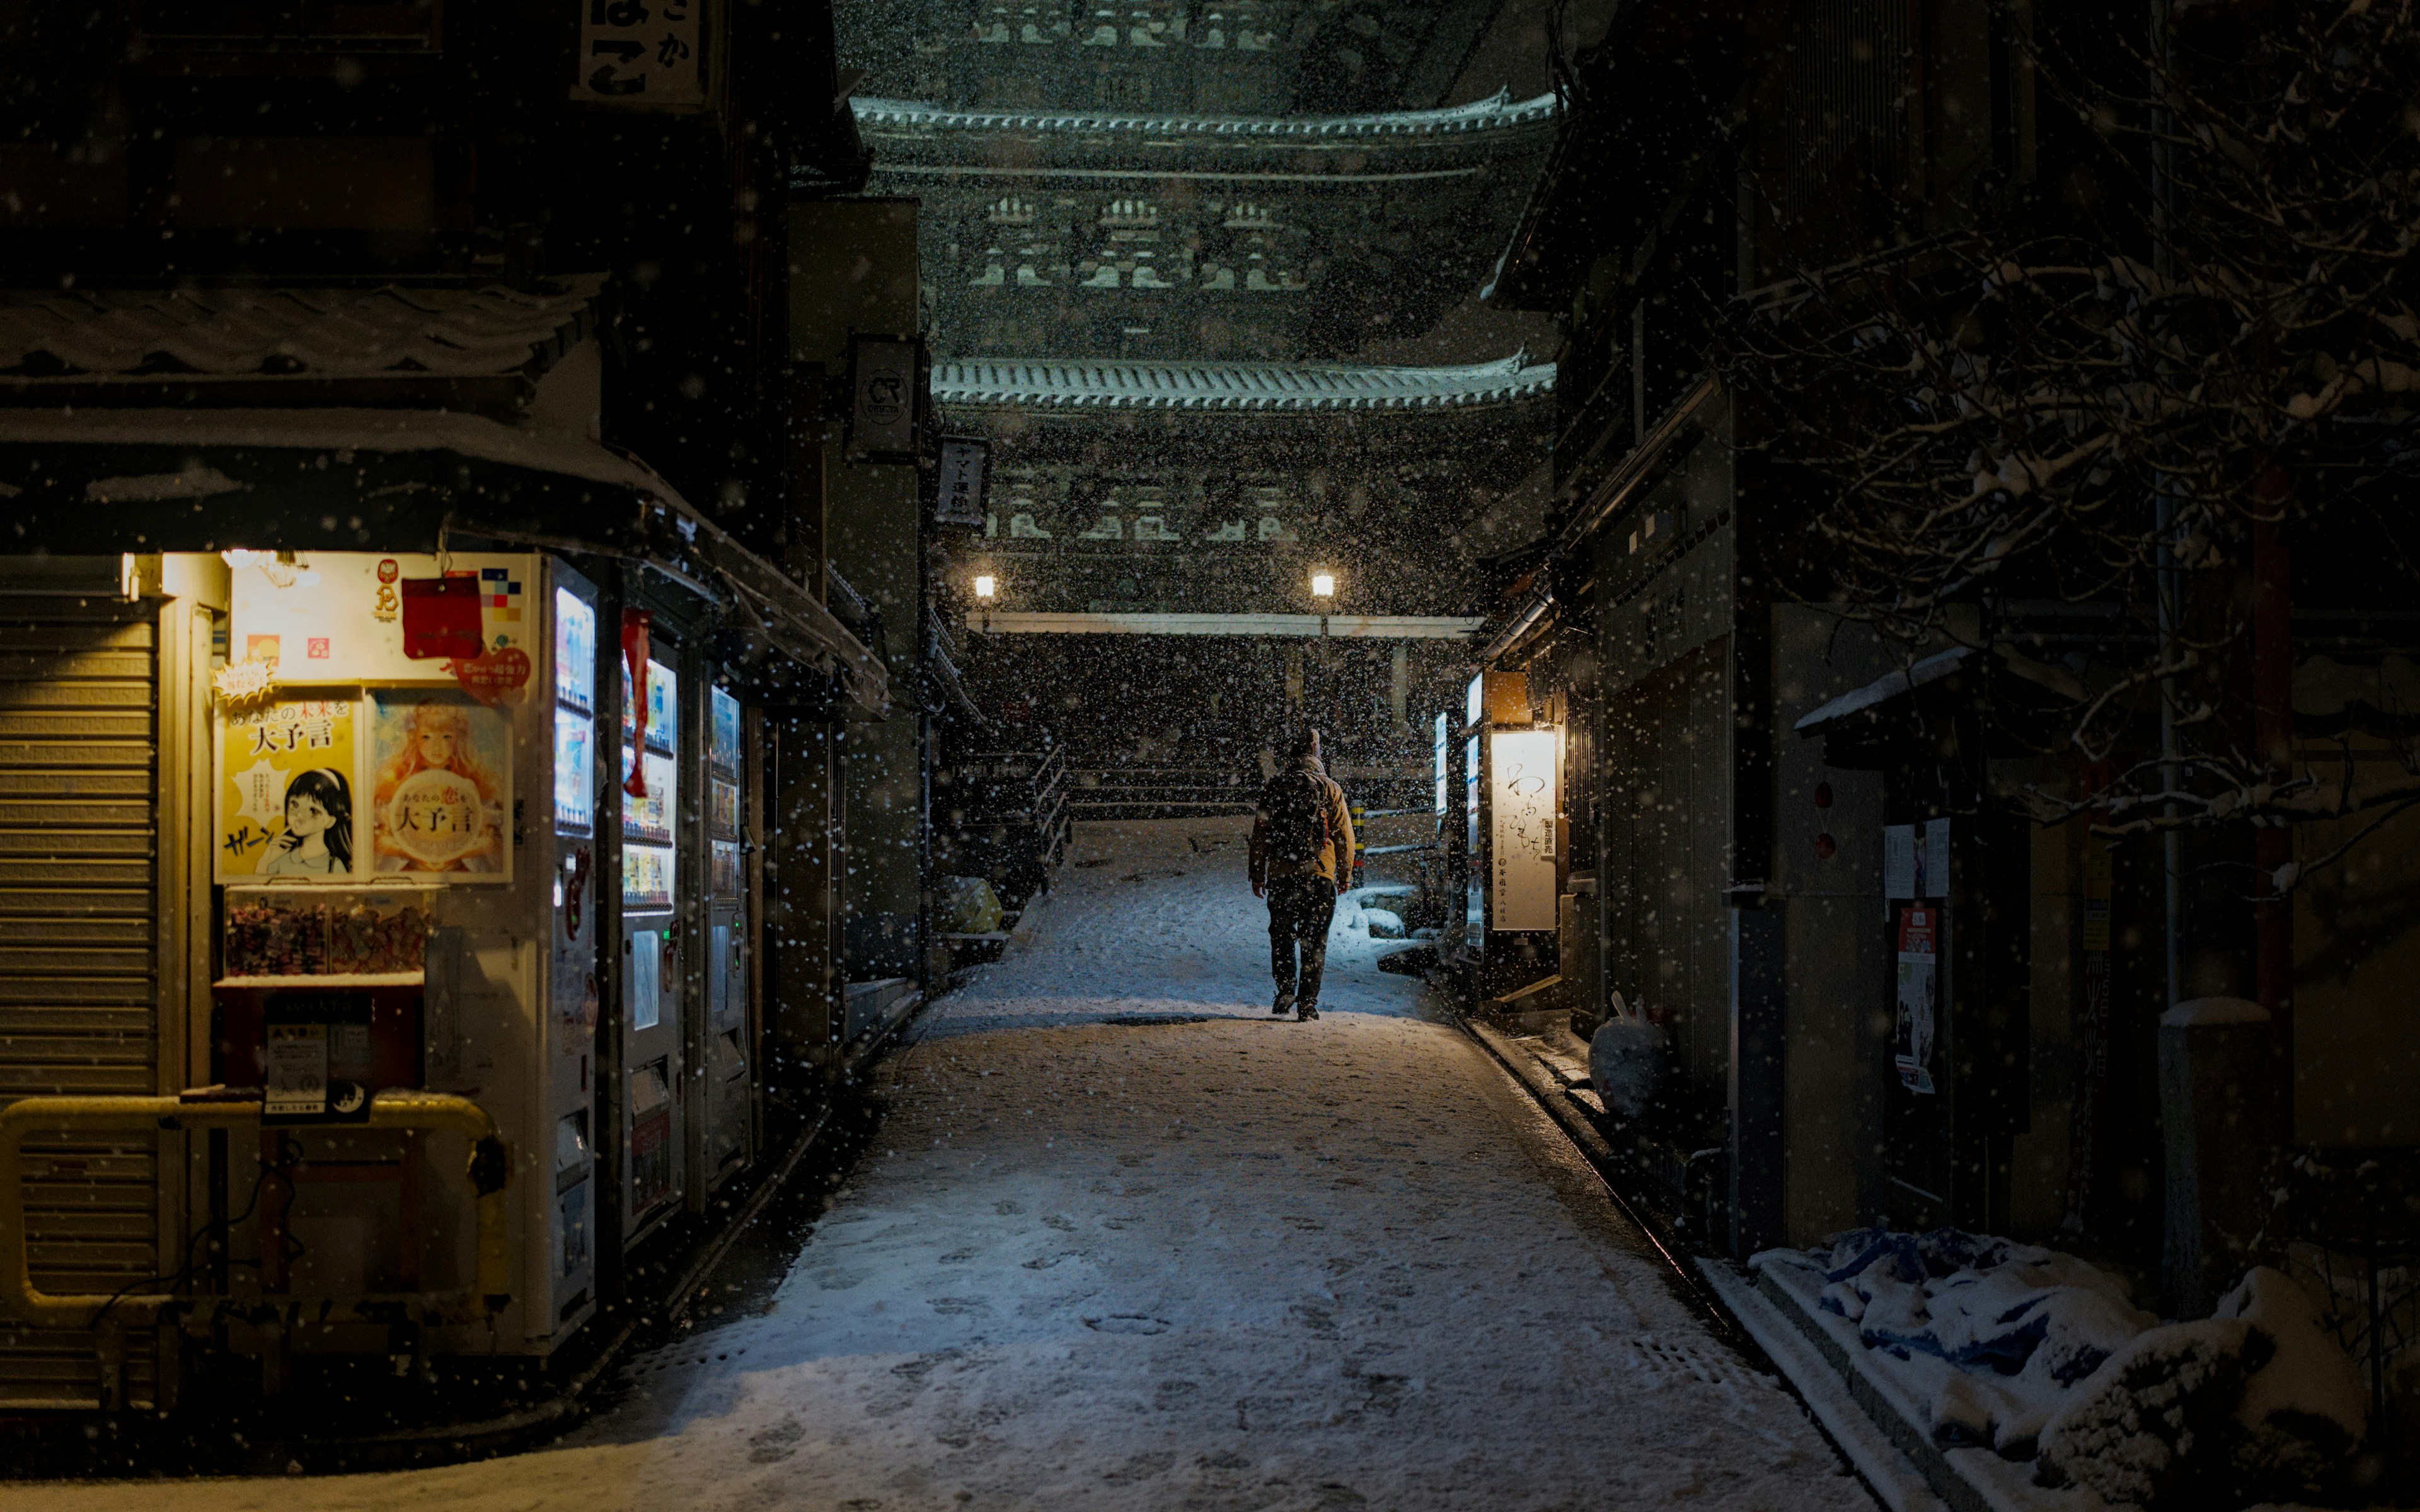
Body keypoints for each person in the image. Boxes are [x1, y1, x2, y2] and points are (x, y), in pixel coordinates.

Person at [1248, 728, 1355, 1021]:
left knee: (1282, 935)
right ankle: (1308, 1003)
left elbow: (1261, 834)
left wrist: (1257, 872)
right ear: (1317, 754)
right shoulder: (1330, 788)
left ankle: (1285, 990)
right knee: (1315, 940)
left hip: (1282, 875)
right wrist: (1344, 874)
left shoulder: (1275, 787)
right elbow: (1345, 834)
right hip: (1319, 875)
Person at [261, 767, 353, 876]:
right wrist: (265, 862)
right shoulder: (281, 860)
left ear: (331, 821)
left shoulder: (335, 866)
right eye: (295, 805)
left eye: (314, 811)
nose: (299, 815)